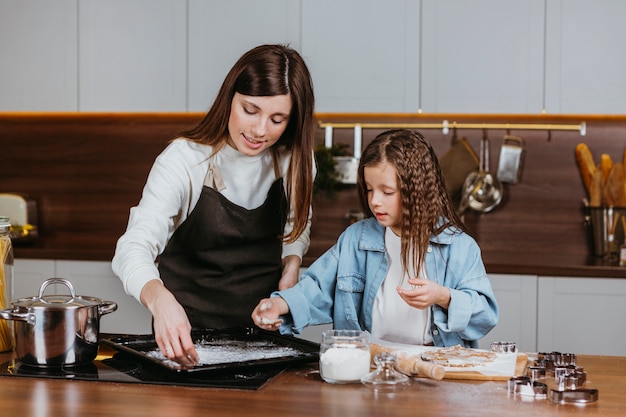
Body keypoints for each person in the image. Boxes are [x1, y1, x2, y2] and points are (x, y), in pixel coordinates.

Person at [112, 44, 317, 366]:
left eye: (278, 119)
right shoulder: (184, 159)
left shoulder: (295, 161)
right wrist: (159, 299)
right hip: (187, 339)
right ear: (229, 99)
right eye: (250, 110)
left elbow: (297, 226)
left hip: (266, 341)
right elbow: (133, 247)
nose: (260, 130)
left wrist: (291, 263)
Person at [252, 129, 498, 348]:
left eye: (387, 192)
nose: (374, 201)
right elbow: (316, 288)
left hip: (435, 371)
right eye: (369, 189)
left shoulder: (459, 247)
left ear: (418, 191)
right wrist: (280, 305)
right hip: (368, 365)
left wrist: (443, 297)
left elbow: (485, 315)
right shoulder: (355, 240)